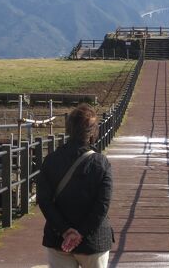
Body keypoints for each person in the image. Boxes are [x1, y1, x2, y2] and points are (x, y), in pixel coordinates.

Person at [37, 104, 113, 268]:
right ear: (93, 132)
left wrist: (65, 230)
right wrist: (81, 233)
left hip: (59, 240)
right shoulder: (101, 163)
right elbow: (102, 205)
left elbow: (44, 200)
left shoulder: (51, 160)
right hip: (94, 241)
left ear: (69, 128)